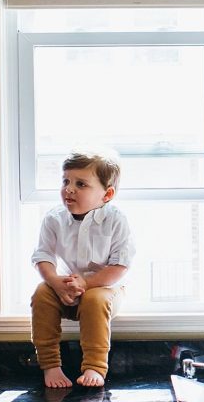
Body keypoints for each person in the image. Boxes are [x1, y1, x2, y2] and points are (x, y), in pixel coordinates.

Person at [31, 151, 135, 388]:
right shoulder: (54, 218)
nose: (69, 189)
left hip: (106, 289)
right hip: (68, 289)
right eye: (65, 181)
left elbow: (120, 265)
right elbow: (43, 255)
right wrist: (56, 282)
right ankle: (50, 365)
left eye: (81, 184)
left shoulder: (116, 220)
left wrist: (87, 284)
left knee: (95, 298)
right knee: (41, 293)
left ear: (106, 194)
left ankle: (95, 366)